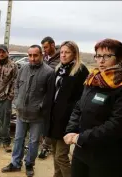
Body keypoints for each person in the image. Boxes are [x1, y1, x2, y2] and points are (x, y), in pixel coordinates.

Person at [64, 38, 122, 177]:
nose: (101, 61)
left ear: (120, 58)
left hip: (108, 156)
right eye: (98, 56)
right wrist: (71, 130)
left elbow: (118, 125)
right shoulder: (93, 79)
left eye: (107, 56)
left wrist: (81, 138)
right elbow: (79, 106)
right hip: (83, 150)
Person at [1, 45, 55, 177]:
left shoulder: (49, 72)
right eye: (30, 55)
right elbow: (17, 85)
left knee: (33, 141)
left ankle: (30, 164)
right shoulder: (23, 68)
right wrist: (17, 101)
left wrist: (39, 107)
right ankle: (15, 163)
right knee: (18, 139)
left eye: (35, 55)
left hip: (37, 116)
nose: (32, 58)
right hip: (21, 113)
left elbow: (49, 95)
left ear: (41, 55)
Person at [44, 41, 89, 177]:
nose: (63, 55)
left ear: (74, 54)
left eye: (67, 52)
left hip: (67, 120)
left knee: (61, 156)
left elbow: (82, 98)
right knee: (54, 153)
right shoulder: (59, 69)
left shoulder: (80, 71)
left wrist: (74, 120)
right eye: (62, 52)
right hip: (53, 119)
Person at [38, 36, 61, 159]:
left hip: (55, 96)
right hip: (44, 94)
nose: (44, 49)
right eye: (42, 47)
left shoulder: (59, 59)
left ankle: (46, 147)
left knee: (50, 122)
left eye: (46, 47)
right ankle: (43, 144)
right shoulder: (46, 58)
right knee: (43, 121)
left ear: (53, 45)